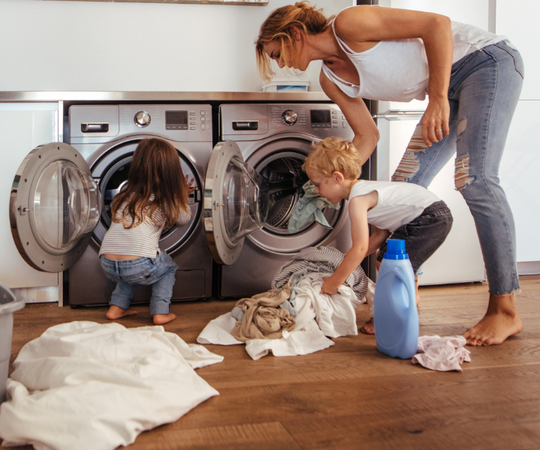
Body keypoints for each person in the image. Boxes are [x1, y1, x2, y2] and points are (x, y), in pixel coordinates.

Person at [255, 2, 524, 346]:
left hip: (485, 63)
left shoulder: (350, 24)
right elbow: (367, 137)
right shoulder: (330, 79)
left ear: (294, 34)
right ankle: (404, 293)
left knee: (475, 180)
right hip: (449, 88)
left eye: (277, 53)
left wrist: (438, 98)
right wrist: (330, 179)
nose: (280, 64)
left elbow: (437, 25)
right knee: (400, 191)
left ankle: (504, 308)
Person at [304, 136, 453, 334]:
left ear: (337, 178)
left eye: (318, 184)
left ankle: (388, 317)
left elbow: (360, 248)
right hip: (431, 214)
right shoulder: (363, 192)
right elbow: (380, 235)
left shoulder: (358, 201)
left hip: (428, 217)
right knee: (386, 258)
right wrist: (345, 262)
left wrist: (334, 281)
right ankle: (406, 300)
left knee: (387, 262)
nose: (316, 190)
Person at [98, 138, 195, 325]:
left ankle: (116, 308)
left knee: (130, 259)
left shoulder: (126, 193)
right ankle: (160, 312)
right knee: (168, 268)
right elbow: (184, 218)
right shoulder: (166, 198)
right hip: (138, 264)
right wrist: (182, 196)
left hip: (107, 263)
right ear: (172, 172)